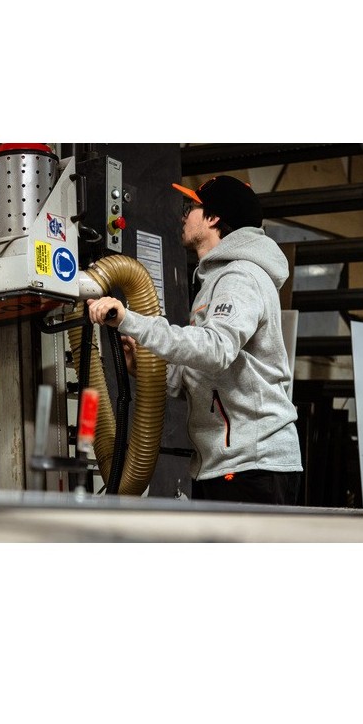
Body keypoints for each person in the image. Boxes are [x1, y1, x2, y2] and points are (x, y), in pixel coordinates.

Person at [87, 174, 302, 505]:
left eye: (192, 208)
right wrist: (142, 368)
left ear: (213, 218)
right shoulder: (215, 280)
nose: (184, 215)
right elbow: (205, 373)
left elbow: (215, 349)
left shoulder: (240, 277)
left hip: (253, 465)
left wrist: (129, 320)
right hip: (224, 463)